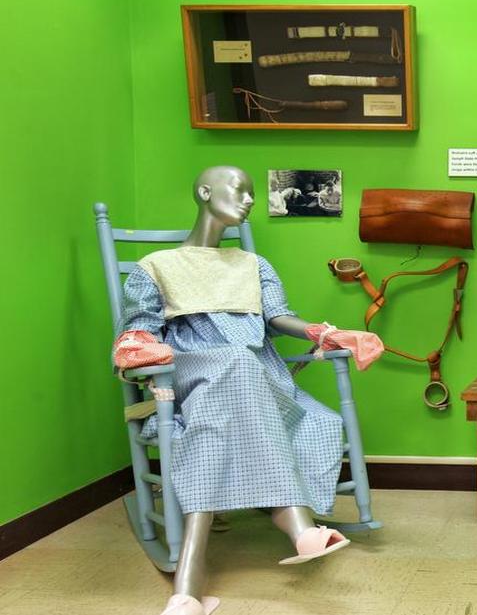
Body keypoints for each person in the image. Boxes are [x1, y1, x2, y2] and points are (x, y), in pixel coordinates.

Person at [111, 166, 383, 615]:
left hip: (259, 375)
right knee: (233, 364)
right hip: (192, 368)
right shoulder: (155, 266)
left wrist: (326, 332)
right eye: (238, 189)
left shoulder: (254, 265)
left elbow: (276, 318)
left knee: (225, 401)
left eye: (253, 193)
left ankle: (187, 591)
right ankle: (295, 522)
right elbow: (141, 325)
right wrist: (134, 343)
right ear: (204, 191)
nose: (249, 199)